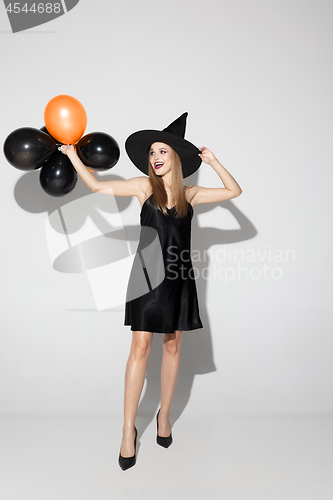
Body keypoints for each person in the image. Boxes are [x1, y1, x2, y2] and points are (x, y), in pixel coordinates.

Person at [60, 112, 242, 471]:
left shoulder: (192, 194)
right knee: (140, 345)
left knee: (172, 344)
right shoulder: (144, 187)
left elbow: (235, 192)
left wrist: (214, 161)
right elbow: (97, 186)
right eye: (152, 152)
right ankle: (128, 430)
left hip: (179, 276)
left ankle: (163, 417)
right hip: (146, 274)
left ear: (175, 156)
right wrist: (71, 156)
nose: (155, 157)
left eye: (162, 150)